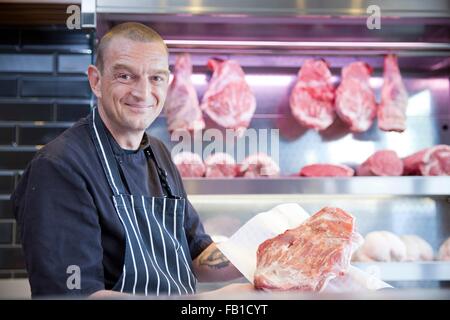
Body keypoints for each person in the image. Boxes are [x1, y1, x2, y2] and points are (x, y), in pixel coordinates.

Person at [11, 22, 251, 298]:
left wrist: (270, 251)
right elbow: (75, 294)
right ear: (96, 81)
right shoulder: (59, 167)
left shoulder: (158, 153)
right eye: (126, 76)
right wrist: (209, 301)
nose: (143, 93)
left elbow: (198, 254)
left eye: (156, 78)